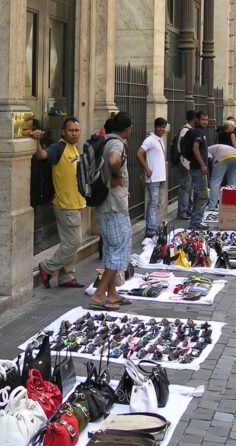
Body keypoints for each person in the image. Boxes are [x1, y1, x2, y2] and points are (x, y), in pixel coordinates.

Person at [32, 117, 87, 288]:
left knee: (69, 242)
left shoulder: (73, 148)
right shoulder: (59, 147)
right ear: (63, 132)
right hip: (65, 204)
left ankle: (66, 276)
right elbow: (42, 155)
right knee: (74, 242)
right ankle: (47, 267)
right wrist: (37, 140)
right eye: (71, 130)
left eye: (77, 130)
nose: (75, 134)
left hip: (76, 202)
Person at [90, 112, 133, 311]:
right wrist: (117, 179)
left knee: (109, 248)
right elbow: (114, 161)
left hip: (107, 203)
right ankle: (99, 294)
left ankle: (112, 292)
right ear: (127, 129)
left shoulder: (105, 140)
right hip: (113, 205)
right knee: (118, 248)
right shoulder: (116, 143)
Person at [136, 117, 168, 238]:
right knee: (153, 203)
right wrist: (147, 169)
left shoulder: (160, 140)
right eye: (160, 127)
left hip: (160, 177)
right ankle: (150, 229)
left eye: (164, 127)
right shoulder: (150, 140)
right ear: (155, 127)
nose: (162, 129)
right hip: (153, 178)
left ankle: (154, 226)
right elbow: (139, 153)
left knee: (157, 203)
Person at [189, 111, 211, 230]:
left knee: (198, 195)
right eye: (203, 119)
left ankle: (195, 220)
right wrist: (203, 165)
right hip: (198, 169)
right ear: (197, 119)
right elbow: (195, 149)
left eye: (207, 120)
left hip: (197, 168)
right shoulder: (198, 132)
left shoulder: (200, 131)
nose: (205, 122)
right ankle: (197, 221)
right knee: (203, 196)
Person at [174, 110, 196, 220]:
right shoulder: (185, 131)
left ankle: (187, 209)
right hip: (184, 163)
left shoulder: (189, 130)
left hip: (187, 163)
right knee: (185, 187)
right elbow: (180, 147)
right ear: (194, 119)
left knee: (189, 187)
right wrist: (186, 158)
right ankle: (182, 211)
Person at [207, 143, 236, 210]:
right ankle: (232, 203)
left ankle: (212, 206)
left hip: (222, 157)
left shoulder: (207, 150)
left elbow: (209, 160)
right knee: (231, 181)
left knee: (215, 182)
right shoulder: (216, 147)